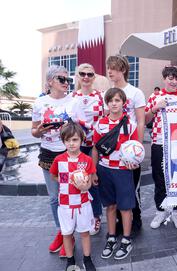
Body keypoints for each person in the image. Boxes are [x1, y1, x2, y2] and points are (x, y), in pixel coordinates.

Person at [31, 65, 85, 258]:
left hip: (68, 154)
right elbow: (34, 131)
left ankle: (68, 237)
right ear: (50, 81)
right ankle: (62, 231)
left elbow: (82, 130)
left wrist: (70, 127)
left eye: (68, 80)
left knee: (69, 195)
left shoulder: (74, 102)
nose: (66, 83)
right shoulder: (39, 102)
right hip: (47, 154)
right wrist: (42, 130)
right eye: (62, 79)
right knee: (54, 198)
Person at [92, 88, 139, 260]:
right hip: (104, 170)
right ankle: (111, 237)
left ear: (123, 103)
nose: (114, 103)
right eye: (111, 100)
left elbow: (136, 149)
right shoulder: (100, 124)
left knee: (125, 207)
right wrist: (93, 171)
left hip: (123, 171)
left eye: (117, 100)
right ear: (107, 103)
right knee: (110, 206)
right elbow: (96, 148)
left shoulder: (131, 125)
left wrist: (134, 163)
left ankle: (126, 239)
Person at [49, 122, 97, 271]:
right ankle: (70, 261)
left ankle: (87, 259)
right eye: (68, 140)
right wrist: (67, 182)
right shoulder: (58, 160)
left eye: (75, 140)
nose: (71, 143)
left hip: (83, 203)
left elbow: (89, 183)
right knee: (67, 234)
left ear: (81, 140)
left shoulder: (87, 160)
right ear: (63, 141)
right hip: (65, 205)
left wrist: (84, 186)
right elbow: (54, 175)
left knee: (84, 233)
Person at [106, 55, 146, 235]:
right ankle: (117, 224)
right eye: (108, 68)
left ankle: (135, 220)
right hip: (112, 150)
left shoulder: (135, 92)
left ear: (122, 69)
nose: (109, 72)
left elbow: (140, 122)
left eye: (113, 68)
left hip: (129, 148)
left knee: (132, 187)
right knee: (115, 190)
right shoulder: (106, 94)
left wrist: (136, 150)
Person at [145, 66, 177, 230]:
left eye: (176, 78)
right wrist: (156, 107)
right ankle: (160, 211)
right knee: (159, 179)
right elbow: (146, 118)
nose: (173, 81)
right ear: (164, 79)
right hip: (159, 144)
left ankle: (176, 212)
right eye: (170, 78)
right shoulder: (155, 96)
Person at [73, 63, 104, 236]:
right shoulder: (72, 97)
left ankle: (96, 216)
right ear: (77, 76)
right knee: (77, 182)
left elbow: (102, 121)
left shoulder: (100, 97)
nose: (86, 77)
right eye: (82, 74)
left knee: (93, 182)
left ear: (94, 77)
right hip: (77, 148)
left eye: (89, 74)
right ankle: (81, 217)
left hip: (94, 147)